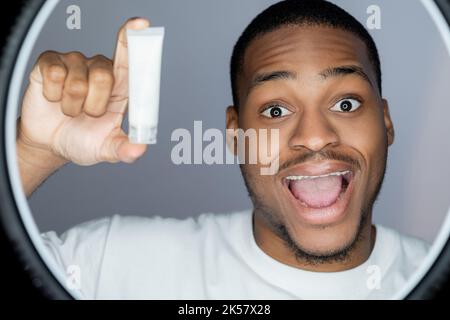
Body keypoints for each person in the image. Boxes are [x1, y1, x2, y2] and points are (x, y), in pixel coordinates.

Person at [16, 0, 429, 299]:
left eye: (346, 104)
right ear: (235, 136)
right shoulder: (111, 265)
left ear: (385, 121)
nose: (316, 137)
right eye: (275, 109)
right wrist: (32, 150)